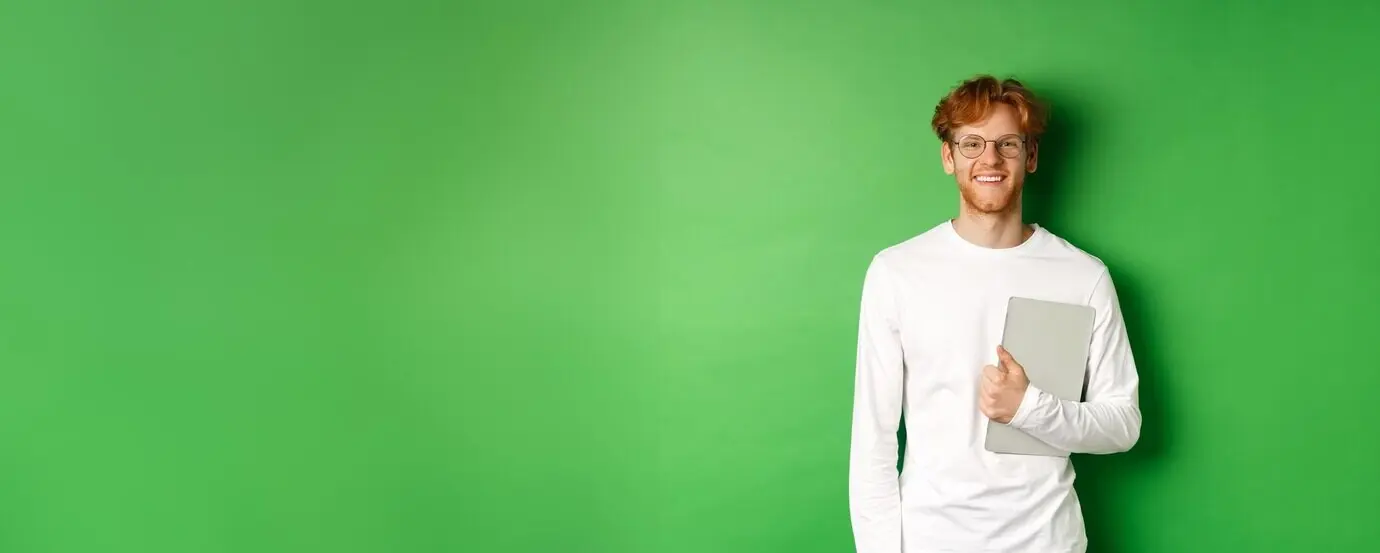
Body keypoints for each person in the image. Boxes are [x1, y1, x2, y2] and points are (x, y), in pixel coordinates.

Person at [847, 75, 1142, 553]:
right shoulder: (896, 272)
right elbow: (872, 442)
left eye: (1007, 143)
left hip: (1047, 541)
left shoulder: (1082, 277)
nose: (989, 159)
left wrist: (1030, 408)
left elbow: (1123, 424)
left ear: (1030, 156)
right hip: (931, 540)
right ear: (949, 157)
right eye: (971, 143)